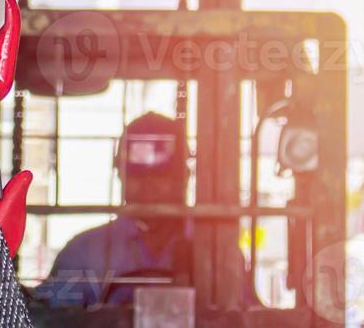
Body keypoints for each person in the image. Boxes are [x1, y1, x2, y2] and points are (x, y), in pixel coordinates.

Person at [33, 111, 255, 309]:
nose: (149, 185)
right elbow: (45, 319)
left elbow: (247, 322)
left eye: (162, 175)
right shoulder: (83, 254)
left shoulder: (217, 254)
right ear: (120, 174)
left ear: (185, 177)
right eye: (138, 174)